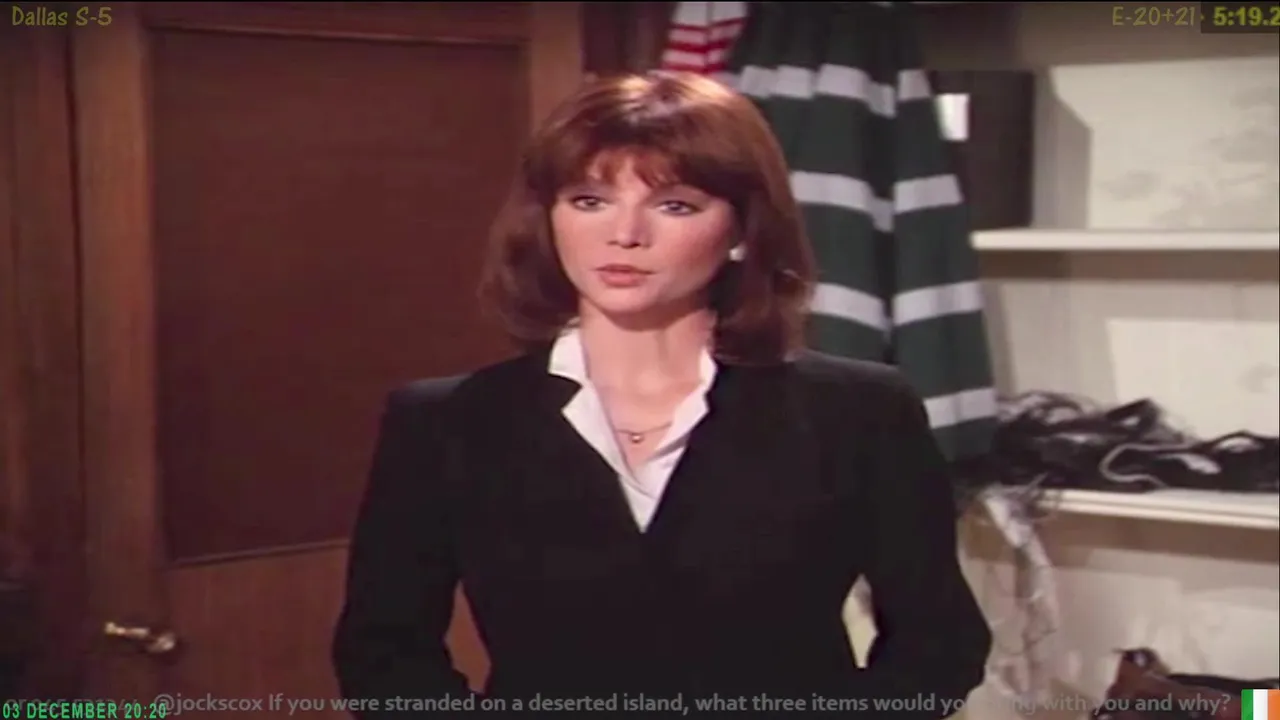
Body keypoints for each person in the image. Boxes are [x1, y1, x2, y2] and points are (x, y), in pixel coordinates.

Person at [332, 71, 991, 718]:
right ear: (548, 218)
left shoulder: (858, 412)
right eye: (589, 200)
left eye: (674, 205)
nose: (624, 234)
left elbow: (939, 646)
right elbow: (383, 653)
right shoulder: (449, 422)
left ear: (743, 231)